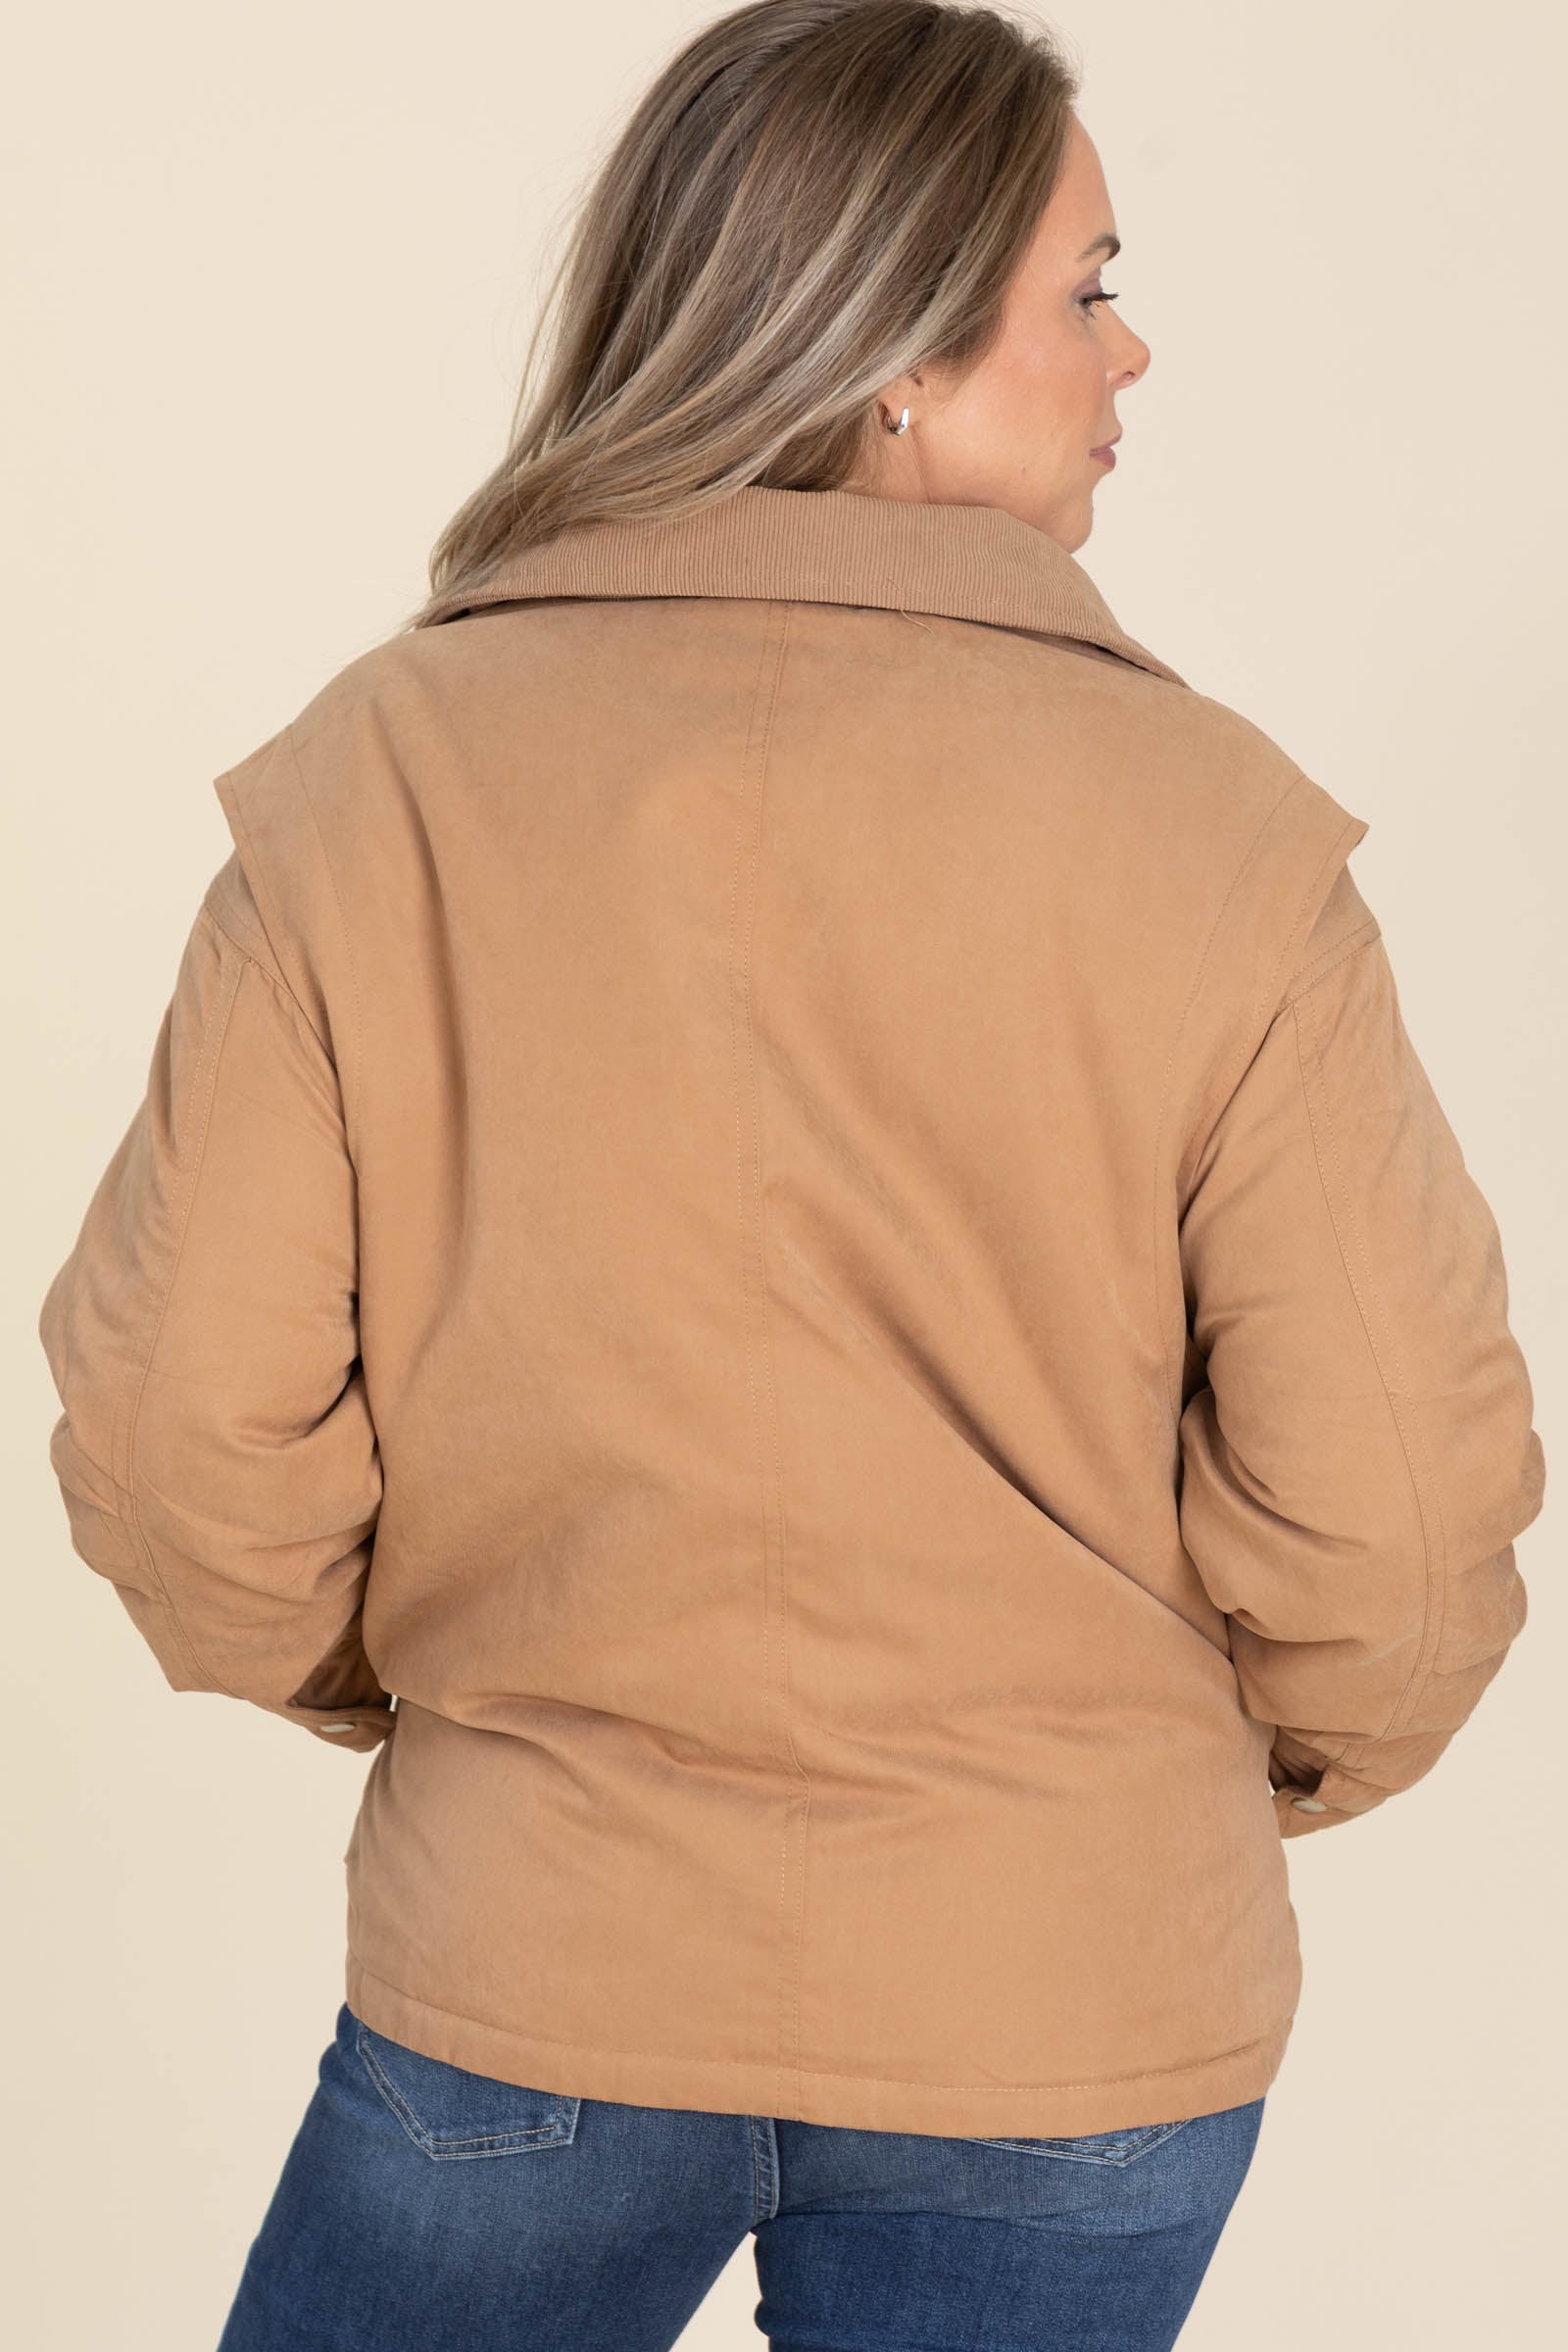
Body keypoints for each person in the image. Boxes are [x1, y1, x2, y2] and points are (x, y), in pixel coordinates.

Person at [37, 5, 1544, 2348]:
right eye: (1084, 289)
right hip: (1068, 1994)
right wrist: (1183, 1787)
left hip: (534, 1952)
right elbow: (1400, 1509)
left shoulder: (375, 784)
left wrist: (434, 1705)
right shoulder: (1220, 840)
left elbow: (171, 1437)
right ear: (892, 356)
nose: (1131, 350)